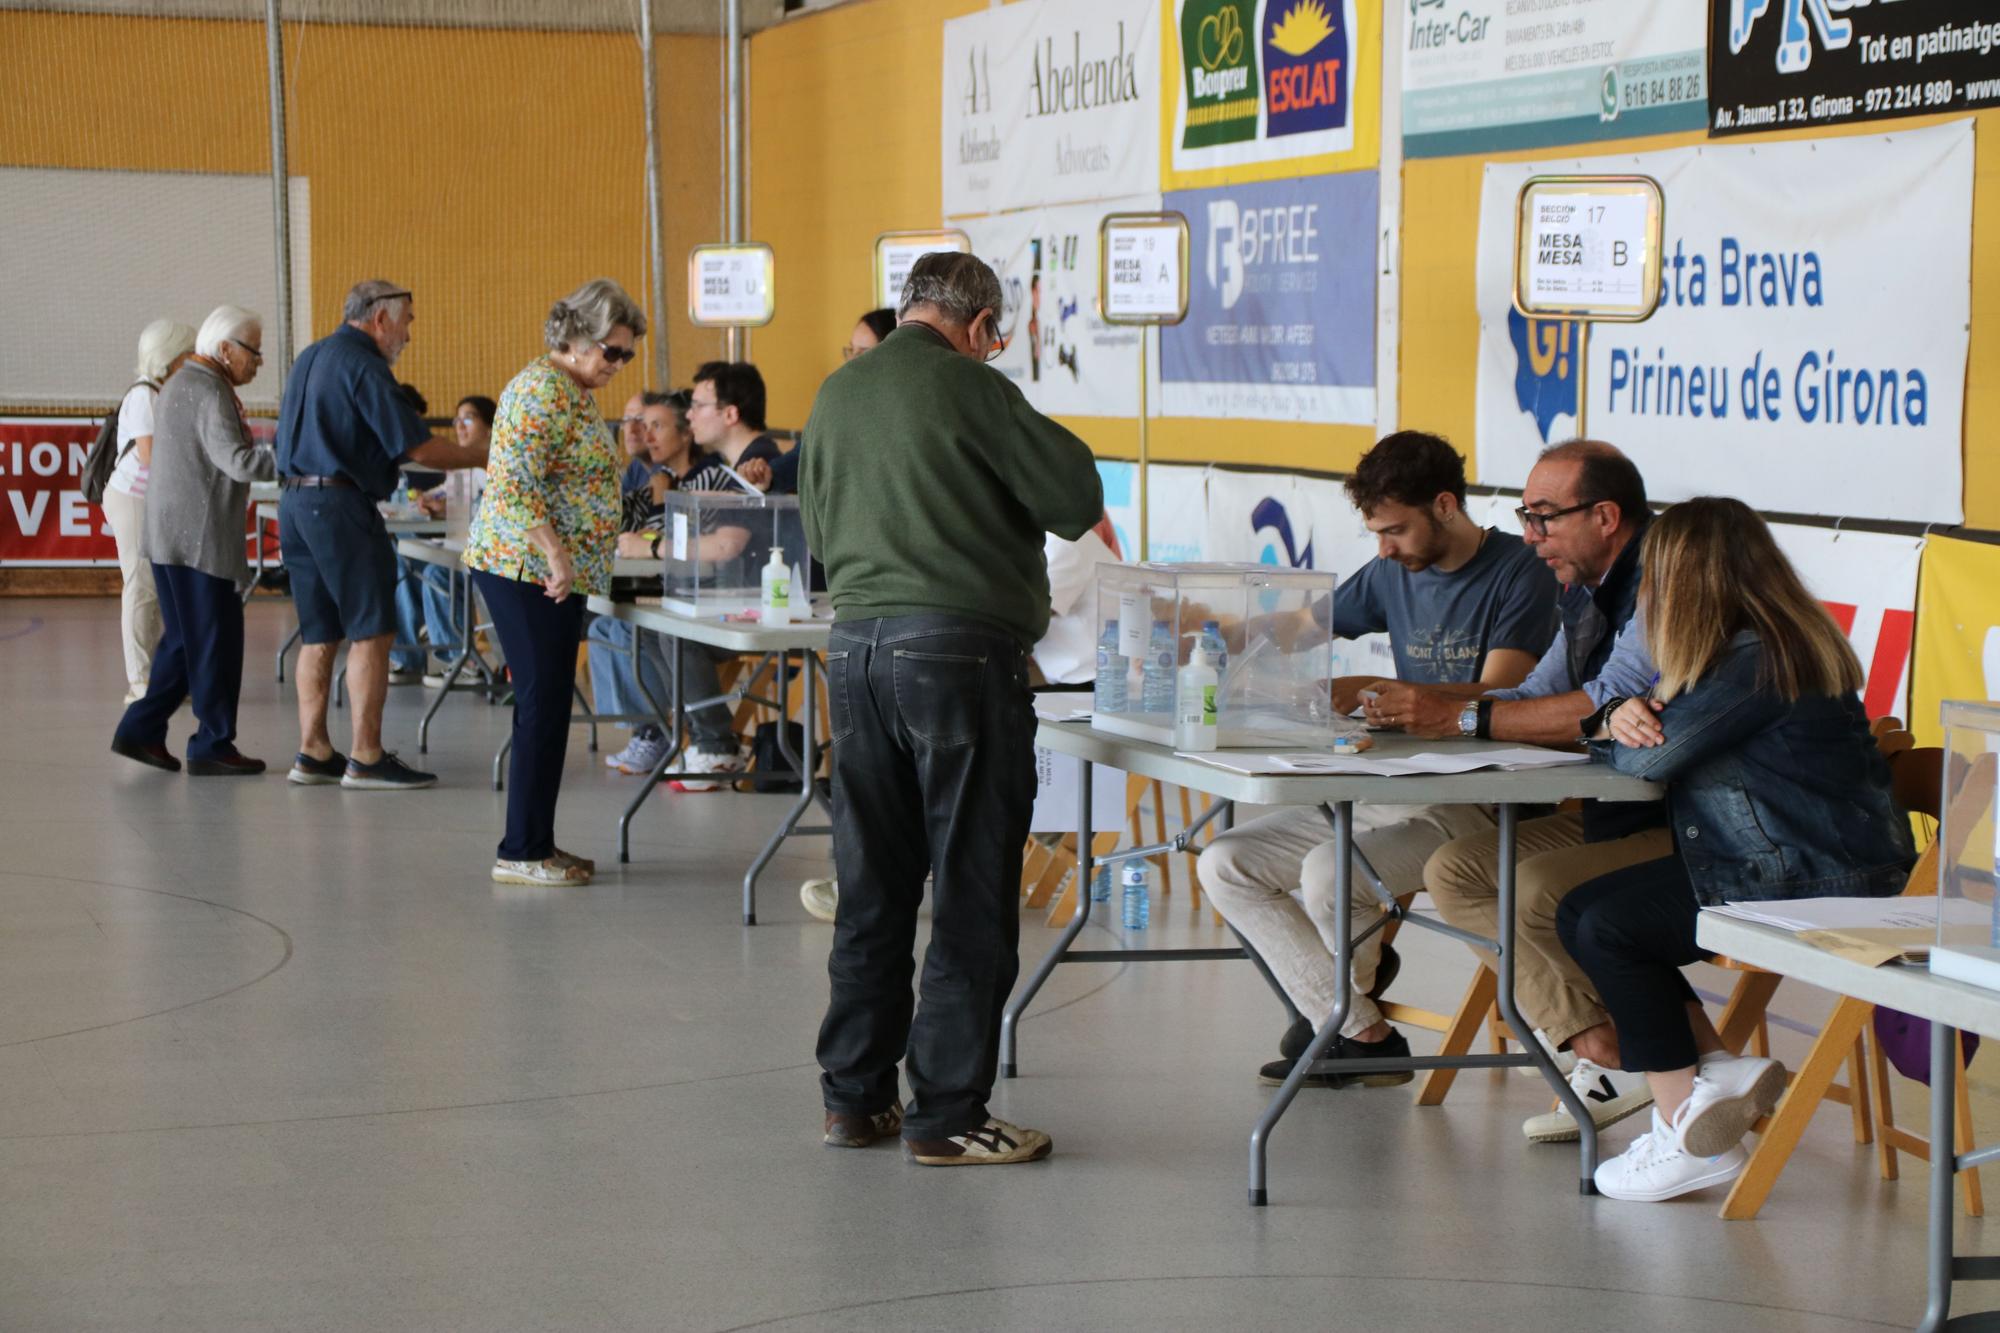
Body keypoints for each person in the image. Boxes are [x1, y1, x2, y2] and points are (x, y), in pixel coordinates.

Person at [804, 251, 1102, 1166]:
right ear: (978, 327)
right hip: (959, 657)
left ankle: (855, 1100)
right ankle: (946, 1114)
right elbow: (1076, 497)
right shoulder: (973, 388)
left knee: (873, 889)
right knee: (971, 890)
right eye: (995, 340)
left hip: (853, 654)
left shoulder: (836, 394)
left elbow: (819, 532)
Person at [1558, 497, 1915, 1201]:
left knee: (1607, 924)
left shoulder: (1755, 658)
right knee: (1583, 910)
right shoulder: (1771, 641)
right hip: (1804, 860)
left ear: (1686, 581)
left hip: (1806, 878)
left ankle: (1682, 1129)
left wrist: (1608, 720)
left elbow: (1649, 761)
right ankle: (1713, 1073)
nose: (1648, 598)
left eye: (1657, 579)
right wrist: (1624, 719)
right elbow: (1659, 743)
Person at [1197, 432, 1560, 1088]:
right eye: (1375, 534)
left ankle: (1333, 1015)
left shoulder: (1521, 574)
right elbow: (1303, 626)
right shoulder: (1395, 569)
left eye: (1394, 530)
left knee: (1330, 872)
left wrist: (1378, 693)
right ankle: (1360, 1027)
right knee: (1225, 862)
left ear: (1446, 505)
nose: (1383, 549)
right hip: (1394, 785)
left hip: (1481, 798)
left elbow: (1501, 694)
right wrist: (1216, 632)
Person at [1365, 439, 1668, 1140]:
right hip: (1613, 810)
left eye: (1544, 518)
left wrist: (1462, 715)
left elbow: (1599, 700)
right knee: (1458, 868)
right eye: (1525, 517)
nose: (1531, 537)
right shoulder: (1582, 589)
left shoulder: (1661, 583)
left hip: (1677, 826)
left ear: (1606, 517)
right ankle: (1599, 1051)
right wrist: (1425, 708)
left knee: (1527, 883)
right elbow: (1537, 693)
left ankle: (1671, 1065)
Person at [462, 278, 645, 886]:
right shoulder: (542, 388)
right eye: (610, 351)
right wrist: (557, 555)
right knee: (542, 707)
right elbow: (514, 483)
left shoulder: (571, 391)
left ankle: (536, 842)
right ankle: (521, 851)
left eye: (626, 354)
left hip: (550, 571)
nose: (617, 364)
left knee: (548, 708)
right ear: (574, 337)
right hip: (529, 570)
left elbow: (582, 486)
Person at [275, 279, 475, 791]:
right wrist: (488, 454)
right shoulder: (364, 364)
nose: (409, 332)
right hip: (339, 503)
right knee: (372, 630)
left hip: (295, 502)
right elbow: (422, 451)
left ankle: (313, 750)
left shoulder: (311, 356)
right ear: (380, 318)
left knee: (318, 633)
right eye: (407, 320)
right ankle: (366, 755)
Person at [109, 305, 276, 775]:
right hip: (196, 541)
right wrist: (295, 459)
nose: (258, 363)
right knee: (213, 643)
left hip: (174, 537)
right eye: (253, 352)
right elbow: (238, 462)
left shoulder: (187, 383)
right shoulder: (207, 389)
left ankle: (141, 730)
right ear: (225, 349)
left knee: (185, 643)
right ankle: (211, 742)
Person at [596, 391, 693, 776]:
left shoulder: (701, 477)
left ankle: (658, 730)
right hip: (655, 589)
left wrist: (658, 498)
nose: (640, 433)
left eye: (654, 425)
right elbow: (620, 526)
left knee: (625, 627)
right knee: (608, 623)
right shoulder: (646, 475)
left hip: (687, 596)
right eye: (634, 422)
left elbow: (664, 537)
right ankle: (648, 727)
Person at [102, 318, 196, 704]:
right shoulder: (145, 395)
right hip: (134, 500)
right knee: (140, 588)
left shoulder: (162, 391)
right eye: (187, 352)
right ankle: (141, 683)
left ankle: (157, 677)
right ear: (170, 356)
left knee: (154, 590)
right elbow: (150, 456)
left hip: (150, 499)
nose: (191, 359)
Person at [412, 395, 495, 685]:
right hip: (460, 552)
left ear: (489, 428)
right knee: (408, 564)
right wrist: (430, 503)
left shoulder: (496, 466)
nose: (460, 426)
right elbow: (442, 495)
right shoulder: (461, 468)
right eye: (457, 420)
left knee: (436, 573)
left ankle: (463, 660)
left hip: (490, 559)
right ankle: (428, 643)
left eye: (469, 419)